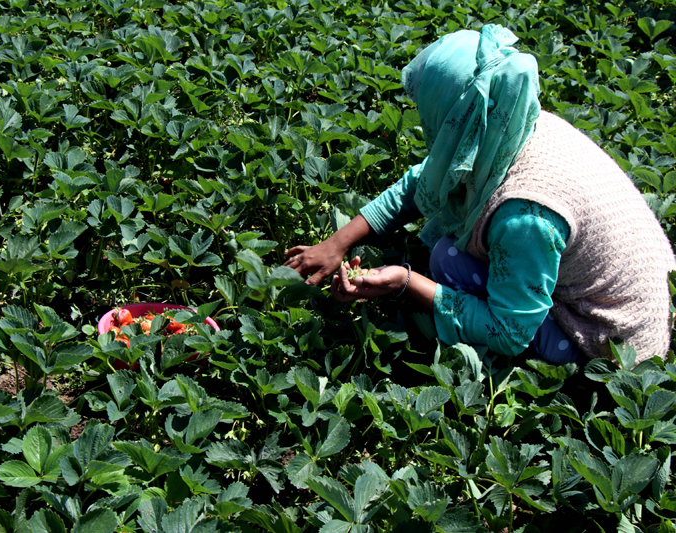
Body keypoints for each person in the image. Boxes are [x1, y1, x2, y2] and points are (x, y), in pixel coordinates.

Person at [284, 25, 676, 366]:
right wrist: (338, 243)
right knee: (451, 252)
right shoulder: (511, 121)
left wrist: (406, 283)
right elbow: (423, 180)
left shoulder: (526, 214)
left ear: (457, 121)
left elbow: (510, 331)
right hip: (637, 297)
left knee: (447, 261)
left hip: (605, 343)